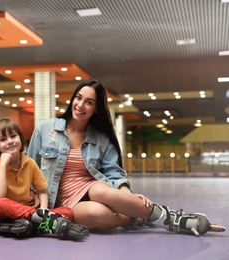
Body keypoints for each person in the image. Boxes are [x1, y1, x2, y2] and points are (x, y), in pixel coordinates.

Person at [26, 79, 225, 237]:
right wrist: (32, 194)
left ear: (96, 108)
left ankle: (170, 218)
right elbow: (30, 165)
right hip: (56, 199)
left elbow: (113, 172)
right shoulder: (47, 128)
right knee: (99, 215)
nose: (81, 105)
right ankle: (136, 217)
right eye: (78, 98)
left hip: (90, 187)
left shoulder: (101, 138)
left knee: (103, 192)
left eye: (89, 102)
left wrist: (125, 194)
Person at [0, 117, 88, 240]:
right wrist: (3, 165)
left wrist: (44, 210)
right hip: (4, 214)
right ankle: (44, 222)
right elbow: (0, 195)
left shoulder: (30, 163)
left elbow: (42, 192)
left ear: (20, 138)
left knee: (68, 211)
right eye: (3, 139)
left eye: (13, 136)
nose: (10, 141)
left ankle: (34, 223)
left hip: (30, 212)